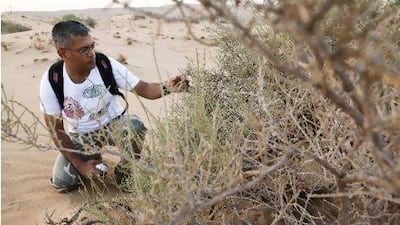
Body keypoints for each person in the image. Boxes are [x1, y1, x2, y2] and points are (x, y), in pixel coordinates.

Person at [39, 20, 188, 191]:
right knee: (63, 182)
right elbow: (56, 130)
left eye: (92, 46)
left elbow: (145, 89)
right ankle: (92, 158)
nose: (91, 53)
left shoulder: (105, 65)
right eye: (83, 50)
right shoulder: (52, 80)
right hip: (81, 135)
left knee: (134, 126)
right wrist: (81, 165)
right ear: (63, 53)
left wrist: (168, 87)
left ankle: (126, 171)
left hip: (114, 125)